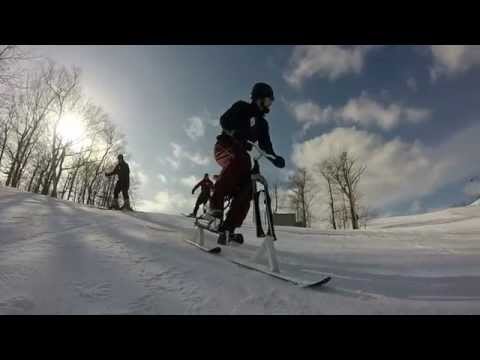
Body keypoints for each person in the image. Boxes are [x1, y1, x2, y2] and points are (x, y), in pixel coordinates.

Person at [206, 82, 285, 244]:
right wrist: (235, 132)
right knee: (242, 159)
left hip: (242, 154)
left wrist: (275, 158)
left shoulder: (263, 124)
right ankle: (215, 209)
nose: (270, 105)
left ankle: (229, 227)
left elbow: (266, 146)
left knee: (250, 185)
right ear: (259, 98)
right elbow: (224, 120)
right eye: (268, 101)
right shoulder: (242, 107)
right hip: (225, 147)